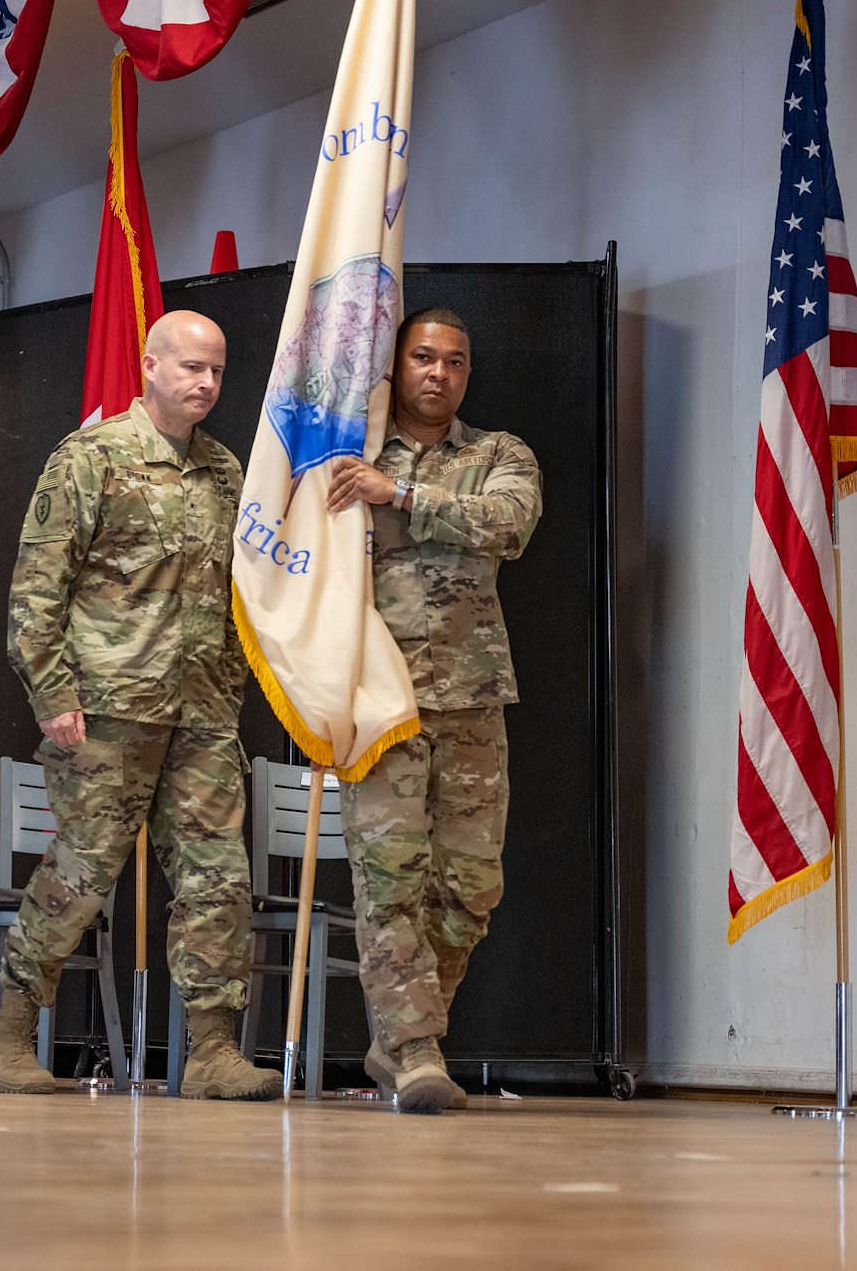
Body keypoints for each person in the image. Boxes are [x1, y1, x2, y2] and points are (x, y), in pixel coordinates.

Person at [0, 310, 281, 1101]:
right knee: (80, 874)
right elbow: (36, 591)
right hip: (107, 711)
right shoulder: (92, 458)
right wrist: (53, 695)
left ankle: (211, 1050)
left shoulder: (224, 470)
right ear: (150, 365)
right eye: (190, 366)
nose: (206, 383)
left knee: (219, 879)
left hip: (203, 714)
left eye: (217, 371)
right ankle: (8, 1035)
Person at [325, 309, 542, 1114]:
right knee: (390, 881)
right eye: (423, 356)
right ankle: (415, 1048)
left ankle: (399, 1034)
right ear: (398, 365)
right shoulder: (349, 456)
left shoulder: (498, 454)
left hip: (472, 696)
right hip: (381, 700)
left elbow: (509, 524)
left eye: (453, 361)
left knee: (471, 887)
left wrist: (402, 494)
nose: (438, 372)